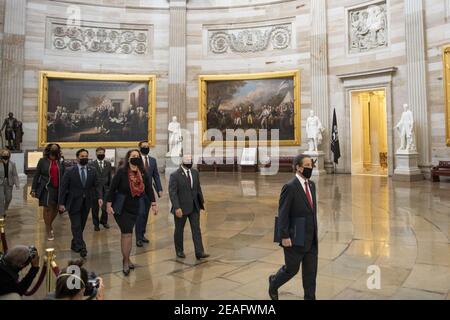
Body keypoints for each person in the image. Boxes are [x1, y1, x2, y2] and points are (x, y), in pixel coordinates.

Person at [269, 154, 318, 300]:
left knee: (310, 273)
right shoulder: (290, 187)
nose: (310, 168)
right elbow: (283, 213)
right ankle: (274, 282)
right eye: (307, 165)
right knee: (291, 269)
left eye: (311, 165)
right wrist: (284, 236)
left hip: (311, 238)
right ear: (298, 167)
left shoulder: (311, 185)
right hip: (295, 236)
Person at [106, 149, 156, 275]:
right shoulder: (121, 172)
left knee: (129, 234)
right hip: (122, 207)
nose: (136, 158)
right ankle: (125, 261)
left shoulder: (143, 172)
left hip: (136, 206)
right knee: (126, 233)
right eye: (133, 156)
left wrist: (154, 203)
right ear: (128, 158)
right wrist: (108, 204)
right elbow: (112, 189)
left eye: (137, 156)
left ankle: (127, 259)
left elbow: (149, 188)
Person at [59, 149, 103, 258]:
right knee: (76, 225)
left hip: (87, 202)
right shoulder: (69, 171)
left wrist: (100, 197)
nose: (84, 158)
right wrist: (61, 203)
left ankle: (74, 243)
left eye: (86, 156)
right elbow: (63, 188)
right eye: (82, 156)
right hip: (73, 202)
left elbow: (97, 185)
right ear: (77, 157)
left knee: (81, 225)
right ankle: (82, 246)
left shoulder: (92, 170)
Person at [168, 154, 209, 260]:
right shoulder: (175, 175)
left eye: (190, 160)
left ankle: (199, 252)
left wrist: (201, 202)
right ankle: (179, 250)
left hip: (194, 206)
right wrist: (177, 207)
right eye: (187, 160)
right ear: (182, 162)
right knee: (179, 230)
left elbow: (198, 188)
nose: (189, 162)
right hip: (181, 208)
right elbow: (173, 193)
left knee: (196, 229)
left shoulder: (195, 173)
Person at [31, 144, 65, 241]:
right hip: (46, 187)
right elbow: (37, 175)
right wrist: (33, 189)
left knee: (55, 208)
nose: (54, 149)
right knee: (47, 208)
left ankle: (49, 224)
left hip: (58, 188)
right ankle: (48, 228)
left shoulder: (60, 161)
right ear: (48, 150)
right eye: (52, 147)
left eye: (56, 148)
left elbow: (64, 174)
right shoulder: (42, 161)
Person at [135, 141, 161, 247]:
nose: (146, 148)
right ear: (139, 148)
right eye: (144, 147)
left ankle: (142, 234)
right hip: (138, 191)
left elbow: (156, 175)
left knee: (145, 214)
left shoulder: (153, 160)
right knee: (140, 213)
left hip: (149, 192)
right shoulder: (136, 160)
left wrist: (159, 188)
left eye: (147, 147)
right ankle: (138, 238)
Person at [90, 147, 112, 231]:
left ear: (104, 153)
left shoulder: (108, 164)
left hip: (105, 189)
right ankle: (96, 224)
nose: (100, 154)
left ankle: (104, 221)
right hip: (95, 189)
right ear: (96, 154)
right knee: (95, 208)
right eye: (99, 152)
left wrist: (110, 188)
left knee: (105, 207)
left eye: (102, 152)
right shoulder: (92, 164)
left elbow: (110, 176)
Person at [0, 149, 19, 217]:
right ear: (1, 155)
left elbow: (15, 174)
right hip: (0, 183)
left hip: (9, 183)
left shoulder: (12, 164)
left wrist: (17, 184)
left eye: (7, 154)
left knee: (8, 198)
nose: (5, 155)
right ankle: (1, 214)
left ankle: (4, 209)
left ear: (9, 155)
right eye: (4, 154)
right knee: (1, 199)